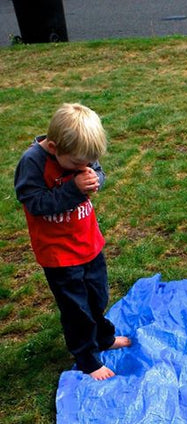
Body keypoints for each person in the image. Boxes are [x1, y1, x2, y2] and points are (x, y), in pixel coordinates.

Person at [14, 103, 131, 380]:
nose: (84, 168)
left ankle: (103, 338)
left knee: (98, 296)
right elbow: (35, 203)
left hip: (89, 243)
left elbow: (96, 172)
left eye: (88, 163)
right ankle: (87, 358)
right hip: (59, 255)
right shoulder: (32, 162)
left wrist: (95, 180)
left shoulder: (80, 153)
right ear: (54, 147)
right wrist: (73, 189)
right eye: (79, 164)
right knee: (76, 309)